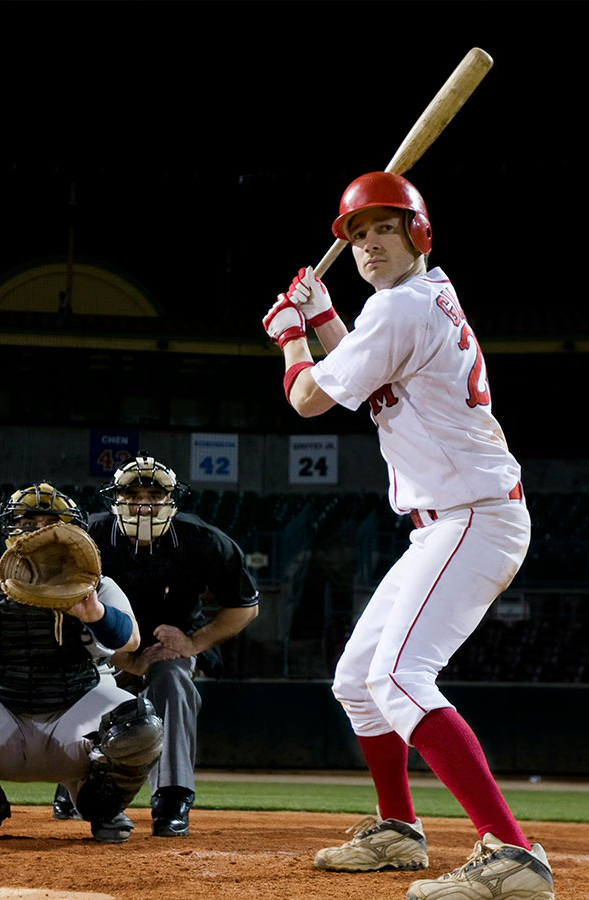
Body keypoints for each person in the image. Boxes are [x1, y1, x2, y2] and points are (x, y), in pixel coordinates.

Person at [262, 172, 554, 900]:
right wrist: (327, 317)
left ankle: (514, 857)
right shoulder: (415, 303)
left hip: (473, 517)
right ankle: (398, 830)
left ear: (417, 233)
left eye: (383, 230)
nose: (367, 246)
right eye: (357, 235)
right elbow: (374, 387)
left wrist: (291, 335)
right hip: (451, 522)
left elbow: (307, 398)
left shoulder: (398, 309)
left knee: (396, 677)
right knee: (358, 683)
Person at [0, 482, 163, 845]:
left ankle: (100, 807)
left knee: (141, 724)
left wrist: (94, 612)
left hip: (77, 719)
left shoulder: (96, 587)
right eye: (27, 522)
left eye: (50, 522)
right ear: (9, 530)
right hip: (2, 724)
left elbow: (130, 641)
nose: (38, 531)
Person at [52, 454, 260, 836]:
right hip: (101, 643)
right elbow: (64, 608)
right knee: (77, 676)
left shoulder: (204, 541)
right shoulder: (87, 539)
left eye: (154, 494)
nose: (145, 503)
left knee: (172, 680)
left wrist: (194, 642)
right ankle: (78, 778)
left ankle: (172, 796)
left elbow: (245, 607)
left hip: (171, 644)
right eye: (134, 494)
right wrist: (123, 657)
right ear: (116, 498)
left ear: (171, 500)